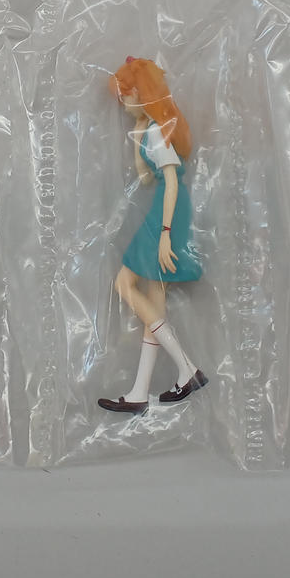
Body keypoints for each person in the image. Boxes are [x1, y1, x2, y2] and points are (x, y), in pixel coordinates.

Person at [98, 57, 208, 414]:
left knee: (124, 283)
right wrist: (138, 135)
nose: (123, 104)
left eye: (125, 96)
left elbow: (171, 180)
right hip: (165, 206)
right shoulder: (150, 130)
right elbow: (147, 178)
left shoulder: (159, 131)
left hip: (169, 212)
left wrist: (164, 234)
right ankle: (140, 393)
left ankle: (188, 369)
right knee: (154, 301)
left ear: (139, 93)